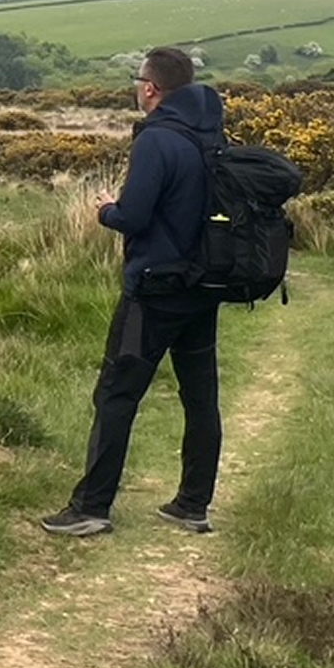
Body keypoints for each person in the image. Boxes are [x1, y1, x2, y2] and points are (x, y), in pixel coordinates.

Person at [39, 45, 225, 537]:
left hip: (154, 290)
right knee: (201, 397)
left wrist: (106, 209)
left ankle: (92, 508)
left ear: (150, 88)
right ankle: (193, 505)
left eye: (138, 81)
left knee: (116, 395)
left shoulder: (156, 140)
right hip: (203, 288)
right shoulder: (212, 135)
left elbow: (134, 217)